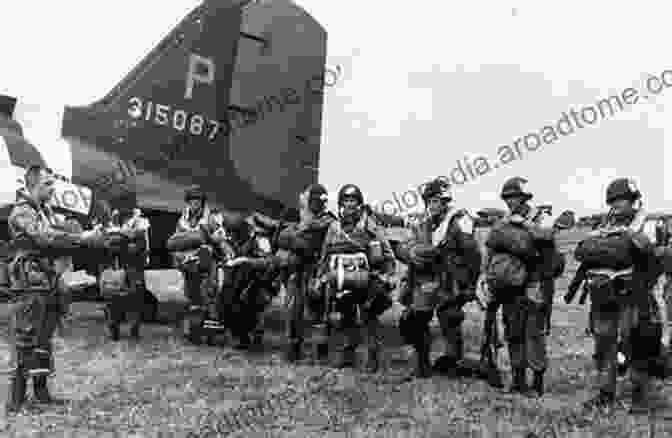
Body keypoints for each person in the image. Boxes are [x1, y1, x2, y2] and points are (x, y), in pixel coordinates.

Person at [5, 165, 97, 414]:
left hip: (48, 281)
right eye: (47, 184)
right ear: (32, 185)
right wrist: (81, 239)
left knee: (44, 340)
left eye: (52, 184)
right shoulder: (22, 212)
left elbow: (59, 232)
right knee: (26, 339)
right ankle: (16, 400)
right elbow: (45, 238)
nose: (52, 188)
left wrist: (80, 233)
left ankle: (42, 393)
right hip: (30, 283)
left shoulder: (45, 211)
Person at [580, 178, 662, 413]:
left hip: (634, 296)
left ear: (634, 201)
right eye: (613, 200)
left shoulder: (647, 224)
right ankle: (605, 395)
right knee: (604, 347)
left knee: (635, 346)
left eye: (622, 200)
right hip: (603, 295)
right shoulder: (601, 225)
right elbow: (583, 251)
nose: (616, 204)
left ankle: (639, 399)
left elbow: (655, 260)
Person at [395, 178, 482, 378]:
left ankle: (454, 363)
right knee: (415, 319)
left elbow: (473, 256)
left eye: (437, 200)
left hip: (451, 281)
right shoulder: (425, 223)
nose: (433, 205)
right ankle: (423, 363)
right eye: (430, 201)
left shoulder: (459, 221)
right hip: (427, 279)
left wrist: (470, 285)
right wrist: (409, 253)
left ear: (445, 202)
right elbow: (409, 244)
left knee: (450, 321)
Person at [483, 177, 562, 396]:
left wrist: (524, 224)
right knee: (513, 331)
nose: (510, 201)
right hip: (510, 284)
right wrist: (487, 276)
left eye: (514, 197)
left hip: (536, 282)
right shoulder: (504, 221)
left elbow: (547, 237)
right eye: (507, 198)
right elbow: (490, 249)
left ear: (524, 197)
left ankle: (537, 382)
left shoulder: (542, 217)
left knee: (534, 333)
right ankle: (518, 381)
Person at [316, 184, 396, 371]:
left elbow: (386, 251)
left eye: (353, 200)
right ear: (341, 204)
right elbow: (325, 254)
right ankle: (348, 355)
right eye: (346, 200)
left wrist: (387, 275)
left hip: (366, 276)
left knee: (368, 316)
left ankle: (372, 357)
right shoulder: (334, 227)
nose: (350, 204)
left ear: (360, 203)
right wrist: (321, 276)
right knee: (345, 315)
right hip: (342, 277)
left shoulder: (369, 224)